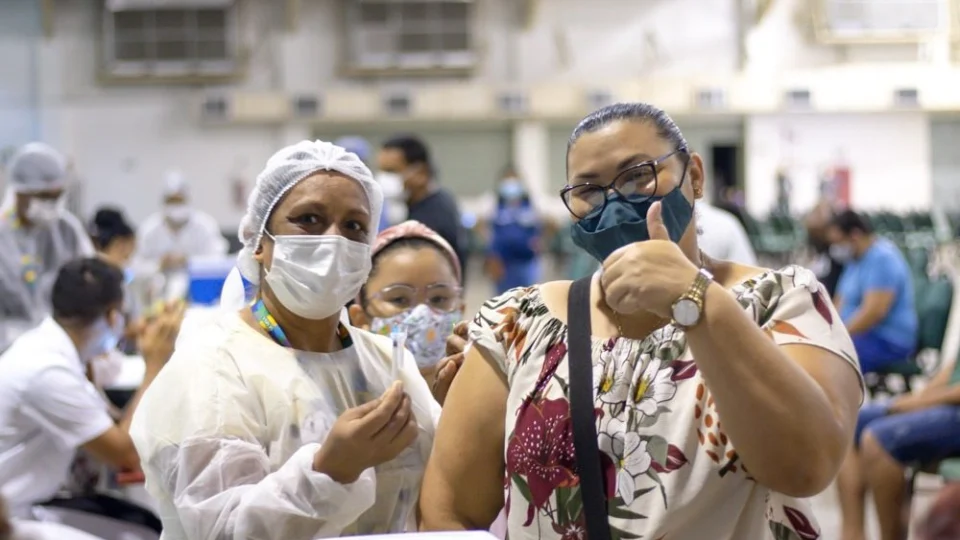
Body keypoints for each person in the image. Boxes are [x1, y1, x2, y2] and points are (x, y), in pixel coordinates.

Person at [419, 102, 863, 539]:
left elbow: (808, 466)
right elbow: (450, 514)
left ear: (693, 175)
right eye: (589, 190)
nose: (614, 204)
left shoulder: (780, 301)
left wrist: (698, 299)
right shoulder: (519, 324)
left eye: (637, 176)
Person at [129, 140, 450, 539]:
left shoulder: (387, 362)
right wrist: (329, 473)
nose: (334, 240)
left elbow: (442, 493)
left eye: (354, 226)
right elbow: (221, 529)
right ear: (259, 242)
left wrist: (461, 403)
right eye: (309, 219)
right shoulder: (213, 368)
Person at [0, 258, 181, 520]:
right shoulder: (47, 371)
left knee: (143, 521)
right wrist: (154, 365)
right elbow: (125, 453)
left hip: (32, 500)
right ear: (112, 316)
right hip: (14, 514)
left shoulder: (51, 349)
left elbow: (110, 420)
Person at [836, 353, 960, 540]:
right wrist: (918, 397)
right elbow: (954, 368)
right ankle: (852, 534)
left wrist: (917, 403)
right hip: (947, 404)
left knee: (878, 440)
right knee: (850, 421)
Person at [348, 220, 464, 403]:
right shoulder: (343, 403)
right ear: (360, 319)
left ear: (460, 310)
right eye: (399, 299)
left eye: (438, 299)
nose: (422, 315)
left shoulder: (488, 404)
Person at [0, 143, 94, 352]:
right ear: (19, 192)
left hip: (65, 348)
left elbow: (91, 282)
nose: (51, 204)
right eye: (43, 196)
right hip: (8, 354)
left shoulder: (67, 229)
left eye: (57, 196)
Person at [828, 209, 917, 374]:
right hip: (862, 336)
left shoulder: (882, 259)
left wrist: (839, 336)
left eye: (839, 242)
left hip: (888, 341)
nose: (836, 248)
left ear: (854, 235)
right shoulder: (854, 260)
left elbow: (874, 313)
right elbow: (840, 301)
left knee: (829, 359)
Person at [377, 135, 466, 282]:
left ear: (420, 173)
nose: (383, 179)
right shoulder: (407, 206)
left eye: (391, 171)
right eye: (382, 171)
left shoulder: (436, 213)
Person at [136, 170, 228, 272]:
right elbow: (136, 264)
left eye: (179, 201)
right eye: (171, 201)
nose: (175, 206)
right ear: (163, 202)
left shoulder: (205, 226)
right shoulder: (149, 228)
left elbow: (218, 259)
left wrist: (188, 261)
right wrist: (159, 264)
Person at [484, 168, 544, 294]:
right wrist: (491, 256)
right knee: (504, 303)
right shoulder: (495, 205)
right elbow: (487, 229)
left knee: (528, 301)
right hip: (503, 264)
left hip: (526, 262)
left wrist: (541, 242)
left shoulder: (529, 205)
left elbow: (542, 226)